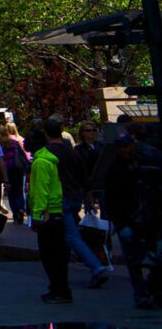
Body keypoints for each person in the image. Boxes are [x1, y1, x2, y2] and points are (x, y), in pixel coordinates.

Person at [97, 127, 161, 309]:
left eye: (126, 146)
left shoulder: (144, 164)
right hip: (129, 219)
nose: (124, 150)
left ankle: (152, 289)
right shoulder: (116, 170)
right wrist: (121, 223)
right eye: (120, 147)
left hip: (148, 219)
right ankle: (141, 294)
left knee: (154, 258)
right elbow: (112, 199)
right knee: (134, 262)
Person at [54, 123, 111, 288]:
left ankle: (98, 262)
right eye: (88, 130)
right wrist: (88, 196)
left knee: (77, 233)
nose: (91, 133)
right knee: (79, 231)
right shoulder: (77, 151)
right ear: (82, 133)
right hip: (82, 192)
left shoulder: (101, 147)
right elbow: (81, 175)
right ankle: (97, 258)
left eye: (94, 130)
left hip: (90, 190)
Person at [30, 130, 74, 304]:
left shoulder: (40, 162)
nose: (24, 144)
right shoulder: (47, 160)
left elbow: (41, 190)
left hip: (48, 213)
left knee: (51, 257)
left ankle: (59, 290)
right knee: (58, 256)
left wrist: (36, 214)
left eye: (29, 140)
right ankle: (59, 288)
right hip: (56, 212)